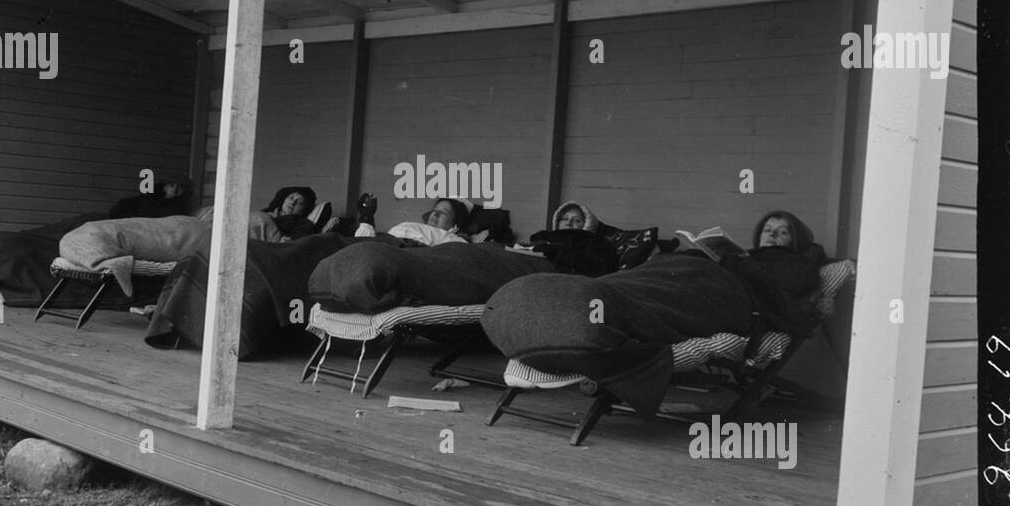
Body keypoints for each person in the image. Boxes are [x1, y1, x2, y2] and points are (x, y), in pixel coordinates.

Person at [481, 209, 826, 418]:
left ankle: (578, 332)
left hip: (725, 292)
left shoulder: (798, 264)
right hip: (690, 272)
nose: (773, 236)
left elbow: (791, 291)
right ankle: (565, 320)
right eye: (768, 230)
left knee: (647, 300)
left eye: (783, 232)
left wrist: (729, 264)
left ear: (797, 241)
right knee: (636, 280)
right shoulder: (746, 255)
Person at [352, 195, 470, 247]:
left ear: (455, 226)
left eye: (444, 213)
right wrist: (367, 218)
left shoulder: (450, 238)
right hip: (385, 241)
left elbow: (463, 252)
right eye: (435, 210)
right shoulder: (415, 226)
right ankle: (366, 219)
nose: (435, 214)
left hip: (409, 249)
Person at [247, 186, 324, 243]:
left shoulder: (302, 224)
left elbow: (295, 244)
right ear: (284, 200)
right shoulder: (266, 212)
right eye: (291, 198)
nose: (292, 203)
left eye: (300, 202)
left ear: (304, 210)